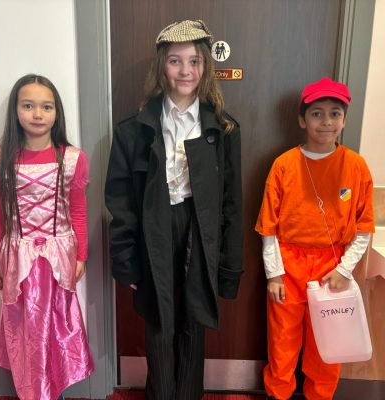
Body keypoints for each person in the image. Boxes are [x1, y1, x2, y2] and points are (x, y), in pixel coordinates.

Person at [105, 19, 243, 400]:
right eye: (175, 61)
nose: (185, 71)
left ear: (205, 66)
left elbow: (231, 202)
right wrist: (127, 261)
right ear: (161, 66)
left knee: (193, 318)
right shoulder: (134, 130)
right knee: (159, 318)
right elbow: (120, 202)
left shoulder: (223, 129)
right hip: (156, 228)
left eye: (194, 61)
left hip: (200, 228)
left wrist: (229, 266)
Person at [255, 77, 375, 400]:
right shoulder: (284, 165)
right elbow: (268, 227)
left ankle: (320, 395)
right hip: (288, 264)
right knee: (282, 340)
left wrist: (345, 269)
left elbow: (364, 227)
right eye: (317, 113)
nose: (326, 122)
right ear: (302, 119)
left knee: (328, 342)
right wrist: (274, 274)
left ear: (344, 120)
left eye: (335, 114)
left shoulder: (356, 167)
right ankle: (278, 393)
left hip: (333, 265)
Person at [0, 74, 94, 400]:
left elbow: (78, 211)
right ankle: (33, 392)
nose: (37, 114)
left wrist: (81, 256)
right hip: (17, 260)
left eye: (46, 107)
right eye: (28, 106)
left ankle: (53, 390)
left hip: (58, 259)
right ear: (15, 111)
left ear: (56, 112)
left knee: (57, 327)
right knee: (26, 330)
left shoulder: (72, 158)